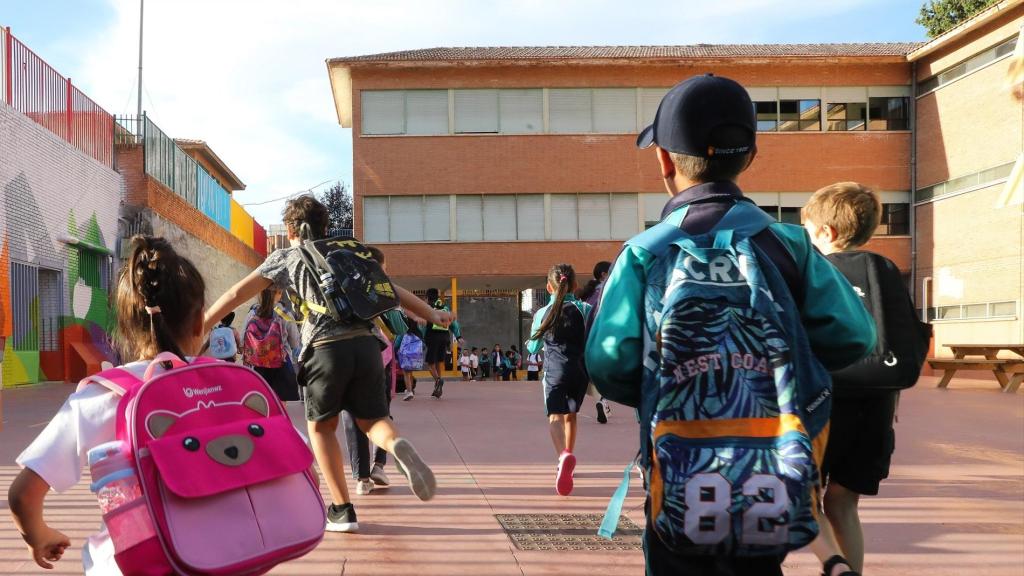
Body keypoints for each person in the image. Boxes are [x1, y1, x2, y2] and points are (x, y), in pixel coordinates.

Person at [585, 75, 873, 576]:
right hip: (770, 470)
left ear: (664, 161)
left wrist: (673, 382)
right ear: (750, 158)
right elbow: (854, 336)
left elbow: (609, 363)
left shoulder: (643, 254)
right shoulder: (789, 246)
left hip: (677, 475)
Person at [203, 195, 448, 533]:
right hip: (366, 346)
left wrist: (204, 321)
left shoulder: (286, 257)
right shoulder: (352, 254)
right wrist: (432, 314)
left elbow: (236, 295)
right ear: (326, 227)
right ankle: (395, 445)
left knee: (321, 428)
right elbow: (392, 290)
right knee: (373, 419)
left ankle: (342, 509)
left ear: (291, 230)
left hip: (324, 349)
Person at [8, 236, 210, 574]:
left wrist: (39, 535)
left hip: (128, 563)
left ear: (124, 328)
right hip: (224, 554)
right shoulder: (223, 385)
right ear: (200, 321)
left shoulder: (98, 398)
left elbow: (23, 495)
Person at [803, 183, 915, 575]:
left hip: (822, 404)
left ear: (826, 233)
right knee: (843, 502)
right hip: (876, 405)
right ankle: (851, 569)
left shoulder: (814, 272)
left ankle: (833, 565)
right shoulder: (884, 269)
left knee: (803, 498)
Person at [343, 245, 405, 495]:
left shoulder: (345, 285)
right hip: (380, 357)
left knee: (352, 417)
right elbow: (399, 328)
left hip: (346, 355)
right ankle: (380, 463)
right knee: (381, 413)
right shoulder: (383, 290)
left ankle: (361, 478)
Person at [527, 264, 591, 496]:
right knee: (571, 415)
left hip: (555, 372)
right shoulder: (586, 309)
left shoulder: (543, 313)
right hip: (580, 371)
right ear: (576, 285)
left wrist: (532, 343)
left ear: (548, 287)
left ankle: (563, 457)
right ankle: (569, 458)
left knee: (555, 416)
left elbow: (533, 346)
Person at [243, 288, 301, 401]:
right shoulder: (285, 313)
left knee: (262, 400)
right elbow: (294, 341)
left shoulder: (252, 313)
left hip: (258, 365)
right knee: (282, 402)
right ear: (278, 293)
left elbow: (242, 338)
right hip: (281, 363)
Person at [577, 261, 613, 424]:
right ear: (604, 275)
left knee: (591, 375)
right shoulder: (609, 290)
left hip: (586, 338)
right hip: (603, 336)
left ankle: (601, 401)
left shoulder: (589, 293)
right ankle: (602, 400)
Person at [423, 288, 463, 399]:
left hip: (433, 337)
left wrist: (421, 339)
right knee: (439, 362)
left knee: (430, 364)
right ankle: (437, 388)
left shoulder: (428, 308)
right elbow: (453, 323)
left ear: (427, 298)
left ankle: (438, 380)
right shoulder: (445, 307)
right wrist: (458, 336)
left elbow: (423, 326)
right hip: (445, 337)